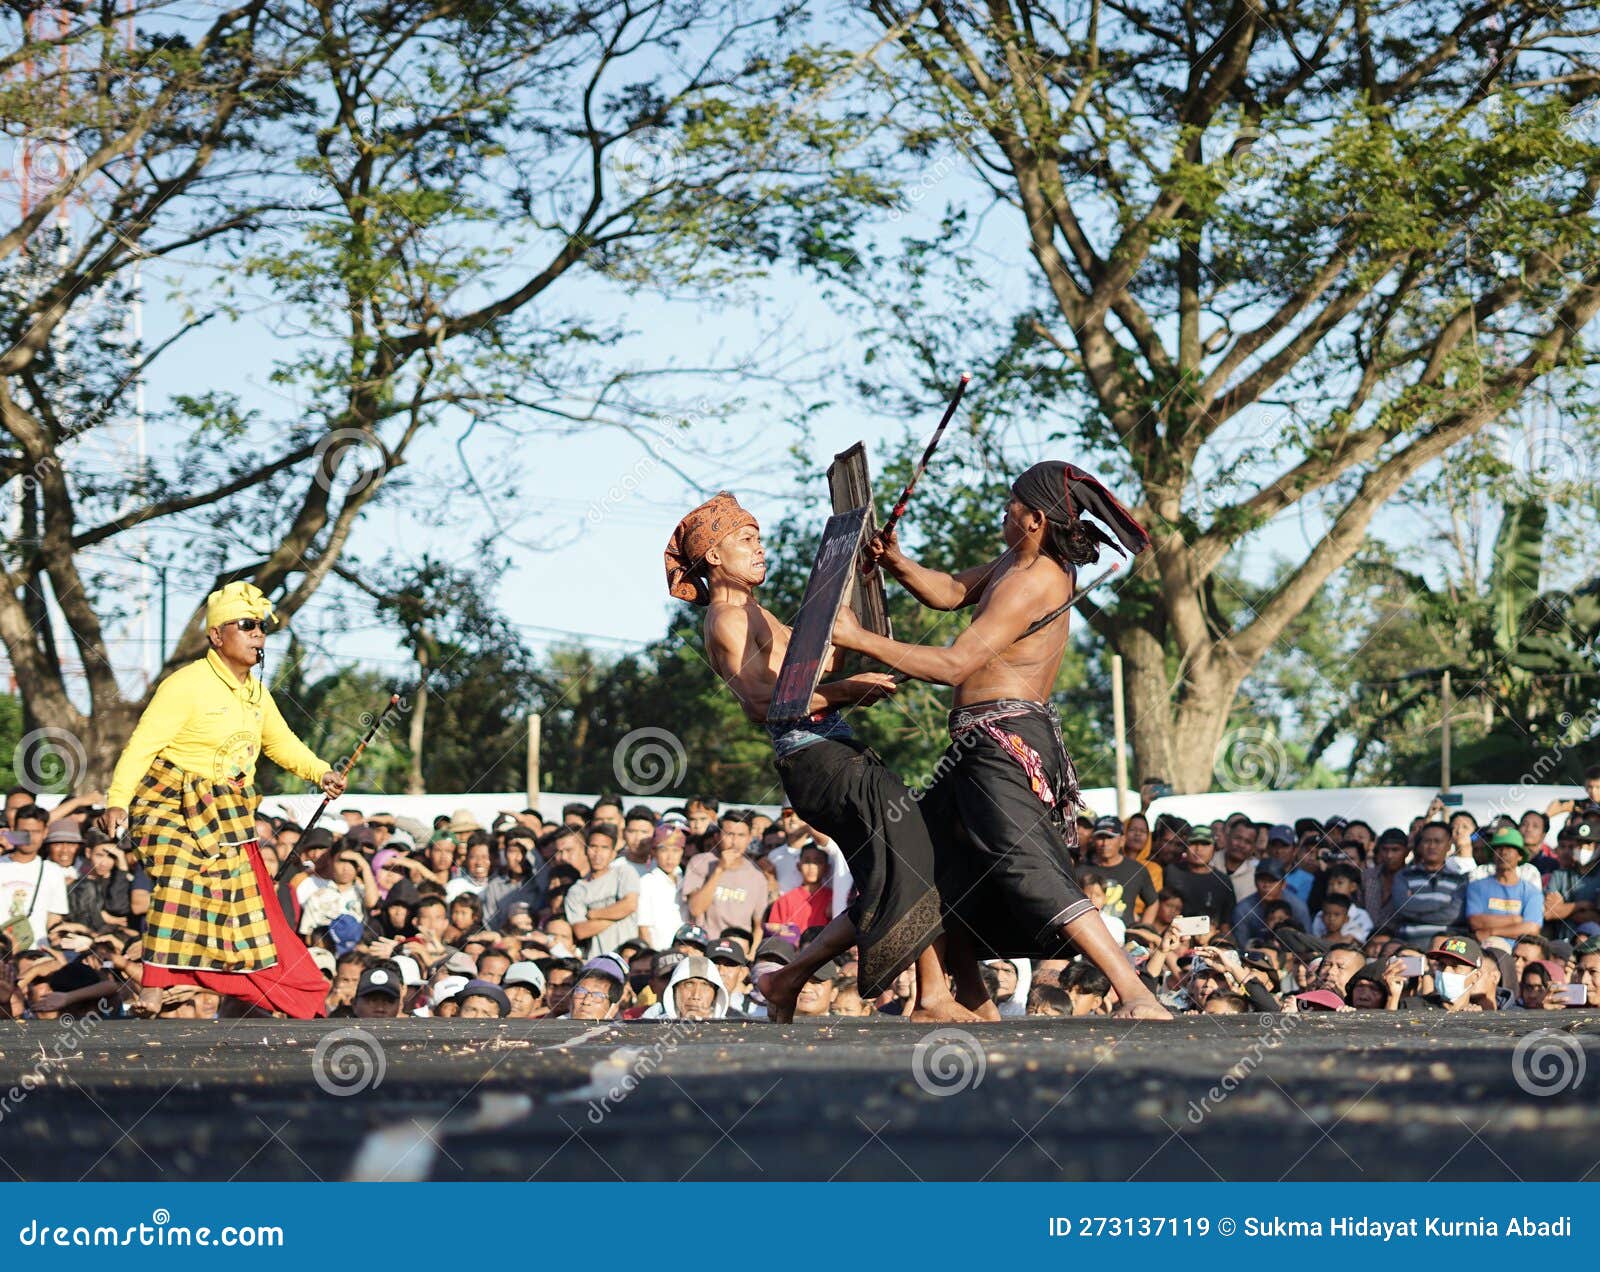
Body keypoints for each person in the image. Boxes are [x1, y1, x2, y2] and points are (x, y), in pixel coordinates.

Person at [830, 460, 1171, 1019]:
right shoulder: (1017, 560)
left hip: (1002, 742)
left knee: (1028, 868)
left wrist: (860, 638)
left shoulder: (1035, 580)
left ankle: (1134, 992)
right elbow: (948, 592)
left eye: (1013, 504)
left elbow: (955, 663)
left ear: (1035, 519)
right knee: (925, 861)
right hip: (975, 744)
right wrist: (895, 561)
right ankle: (951, 998)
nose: (1005, 511)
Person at [670, 492, 973, 1022]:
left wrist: (848, 596)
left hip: (831, 748)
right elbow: (764, 704)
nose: (760, 549)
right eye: (746, 540)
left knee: (893, 865)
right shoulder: (726, 619)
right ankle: (932, 998)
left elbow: (819, 664)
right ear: (714, 556)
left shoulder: (756, 612)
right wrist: (848, 690)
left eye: (758, 538)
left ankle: (788, 979)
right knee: (908, 846)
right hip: (814, 757)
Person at [100, 583, 344, 1019]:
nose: (258, 636)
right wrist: (118, 800)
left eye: (261, 629)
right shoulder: (185, 684)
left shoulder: (256, 693)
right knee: (177, 875)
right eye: (246, 626)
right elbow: (141, 745)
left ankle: (273, 995)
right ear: (216, 636)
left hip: (228, 812)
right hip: (168, 802)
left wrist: (320, 771)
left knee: (244, 918)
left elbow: (282, 743)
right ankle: (154, 986)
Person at [678, 809, 767, 940]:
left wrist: (751, 953)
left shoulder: (757, 876)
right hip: (705, 945)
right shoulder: (700, 862)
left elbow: (759, 926)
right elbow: (695, 909)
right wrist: (719, 869)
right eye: (729, 834)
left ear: (749, 839)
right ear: (717, 837)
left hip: (738, 951)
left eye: (741, 835)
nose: (734, 841)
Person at [564, 822, 640, 959]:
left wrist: (594, 914)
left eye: (604, 848)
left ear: (613, 853)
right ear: (586, 850)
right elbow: (581, 930)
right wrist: (619, 914)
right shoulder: (576, 890)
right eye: (593, 847)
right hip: (597, 960)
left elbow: (630, 905)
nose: (597, 853)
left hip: (629, 958)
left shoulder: (624, 872)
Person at [0, 804, 71, 951]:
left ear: (45, 832)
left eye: (36, 832)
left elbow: (54, 917)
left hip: (37, 954)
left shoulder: (54, 872)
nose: (29, 838)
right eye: (23, 832)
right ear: (13, 832)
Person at [1465, 828, 1544, 942]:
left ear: (1520, 855)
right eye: (1498, 848)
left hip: (1518, 953)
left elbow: (1532, 929)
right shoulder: (1476, 887)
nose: (1503, 852)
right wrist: (1515, 920)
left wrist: (1491, 931)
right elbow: (1475, 922)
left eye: (1509, 848)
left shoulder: (1531, 891)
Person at [764, 842, 834, 943]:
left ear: (827, 867)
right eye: (807, 861)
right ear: (798, 866)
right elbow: (774, 934)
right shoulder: (785, 900)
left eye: (818, 862)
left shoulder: (834, 899)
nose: (812, 867)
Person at [636, 824, 688, 949]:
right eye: (664, 850)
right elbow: (643, 927)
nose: (670, 857)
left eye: (675, 850)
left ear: (682, 852)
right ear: (654, 851)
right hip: (658, 950)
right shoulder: (646, 882)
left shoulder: (687, 879)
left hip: (684, 949)